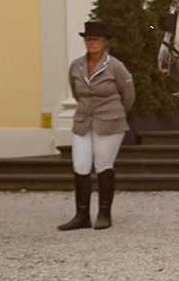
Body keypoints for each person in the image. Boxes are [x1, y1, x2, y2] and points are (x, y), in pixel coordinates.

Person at [59, 19, 135, 231]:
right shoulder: (76, 66)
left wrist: (116, 113)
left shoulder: (115, 66)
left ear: (104, 43)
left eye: (96, 40)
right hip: (83, 121)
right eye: (88, 39)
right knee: (80, 165)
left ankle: (104, 214)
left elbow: (128, 95)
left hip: (109, 122)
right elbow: (76, 92)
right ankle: (81, 215)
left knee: (103, 165)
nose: (92, 43)